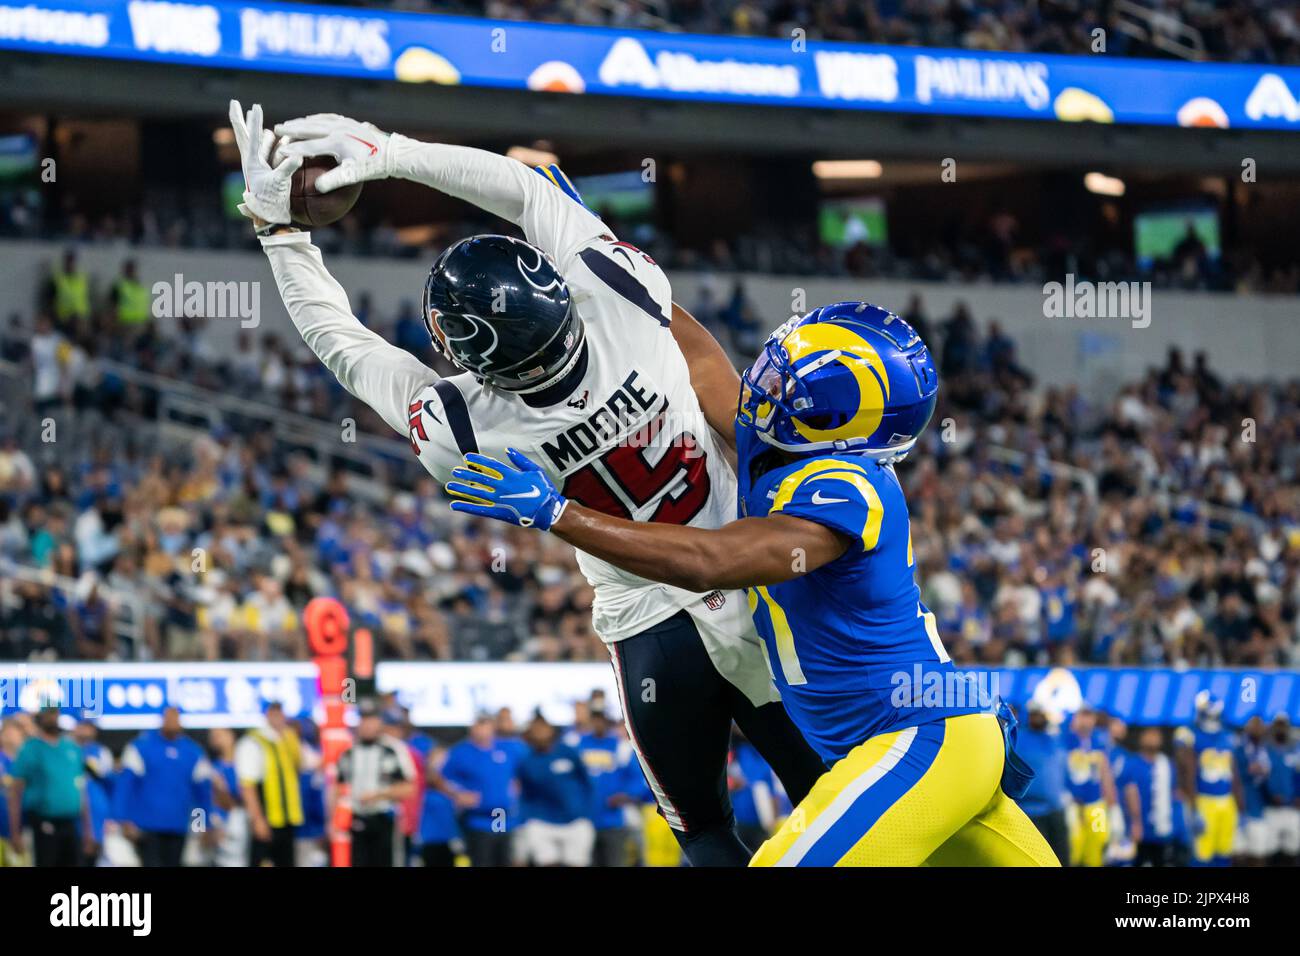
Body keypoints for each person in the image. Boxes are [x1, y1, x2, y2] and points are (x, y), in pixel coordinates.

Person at [228, 100, 824, 867]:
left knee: (705, 832)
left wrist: (283, 237)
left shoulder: (465, 428)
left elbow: (346, 348)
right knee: (845, 790)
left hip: (648, 626)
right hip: (747, 578)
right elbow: (530, 190)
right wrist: (393, 148)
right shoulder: (624, 298)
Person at [446, 302, 1059, 867]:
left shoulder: (849, 490)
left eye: (787, 386)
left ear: (835, 418)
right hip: (930, 742)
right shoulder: (777, 453)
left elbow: (711, 561)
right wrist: (596, 258)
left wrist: (559, 515)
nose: (764, 389)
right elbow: (696, 353)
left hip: (919, 739)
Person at [118, 706, 212, 867]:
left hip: (178, 826)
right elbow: (125, 786)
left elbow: (202, 794)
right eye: (168, 718)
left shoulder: (193, 752)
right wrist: (124, 819)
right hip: (146, 826)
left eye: (175, 718)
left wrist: (203, 826)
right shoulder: (141, 746)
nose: (172, 722)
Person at [6, 705, 94, 866]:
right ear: (39, 717)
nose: (52, 718)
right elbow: (15, 792)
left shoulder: (71, 747)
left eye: (55, 713)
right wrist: (15, 832)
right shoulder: (30, 749)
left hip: (70, 823)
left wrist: (88, 830)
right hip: (42, 823)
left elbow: (81, 790)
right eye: (48, 714)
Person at [333, 700, 417, 867]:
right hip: (355, 819)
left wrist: (379, 795)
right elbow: (337, 787)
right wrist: (333, 820)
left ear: (379, 722)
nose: (368, 725)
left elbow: (410, 788)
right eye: (364, 719)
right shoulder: (348, 751)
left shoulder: (393, 749)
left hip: (385, 818)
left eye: (372, 719)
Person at [435, 713, 520, 866]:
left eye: (486, 726)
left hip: (501, 816)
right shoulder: (461, 752)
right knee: (482, 859)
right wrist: (456, 794)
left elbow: (523, 770)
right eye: (478, 727)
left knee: (503, 859)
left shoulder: (507, 749)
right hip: (477, 819)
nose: (482, 732)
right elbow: (439, 778)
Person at [236, 701, 311, 867]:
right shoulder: (254, 742)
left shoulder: (288, 739)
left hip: (288, 817)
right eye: (274, 714)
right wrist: (257, 819)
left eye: (281, 714)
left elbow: (307, 764)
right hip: (267, 817)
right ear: (267, 715)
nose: (279, 718)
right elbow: (248, 786)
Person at [514, 712, 595, 867]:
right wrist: (526, 819)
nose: (539, 733)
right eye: (535, 730)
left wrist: (587, 813)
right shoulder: (526, 761)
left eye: (542, 728)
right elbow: (522, 792)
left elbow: (587, 783)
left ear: (551, 730)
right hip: (542, 821)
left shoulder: (569, 752)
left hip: (575, 820)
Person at [1175, 691, 1241, 867]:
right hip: (1204, 801)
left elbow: (1233, 772)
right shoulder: (1189, 733)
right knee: (1201, 856)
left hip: (1226, 801)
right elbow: (1186, 771)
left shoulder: (1228, 735)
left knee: (1224, 854)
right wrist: (1193, 807)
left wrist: (1240, 806)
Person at [574, 706, 638, 867]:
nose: (598, 723)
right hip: (584, 821)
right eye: (595, 719)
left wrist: (626, 794)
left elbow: (638, 778)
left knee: (615, 862)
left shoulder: (621, 746)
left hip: (613, 820)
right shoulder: (578, 744)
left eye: (601, 718)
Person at [1014, 699, 1070, 864]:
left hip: (1056, 809)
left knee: (1062, 859)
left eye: (1040, 714)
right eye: (1034, 714)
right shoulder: (1019, 739)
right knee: (1037, 861)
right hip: (1031, 811)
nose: (1038, 718)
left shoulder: (1054, 739)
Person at [1119, 726, 1181, 867]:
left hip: (1161, 828)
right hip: (1139, 829)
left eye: (1156, 735)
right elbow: (1130, 792)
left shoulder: (1166, 764)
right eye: (1149, 735)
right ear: (1142, 739)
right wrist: (1135, 822)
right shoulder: (1133, 764)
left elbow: (1174, 793)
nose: (1153, 739)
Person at [1063, 705, 1117, 867]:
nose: (1086, 721)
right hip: (1072, 803)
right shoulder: (1065, 739)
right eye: (1082, 716)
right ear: (1075, 718)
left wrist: (1113, 806)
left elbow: (1105, 773)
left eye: (1089, 716)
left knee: (1099, 839)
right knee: (1074, 844)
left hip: (1095, 804)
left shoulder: (1099, 740)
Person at [1264, 714, 1299, 866]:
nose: (1281, 729)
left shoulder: (1295, 750)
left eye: (1283, 725)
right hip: (1271, 808)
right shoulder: (1265, 751)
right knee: (1269, 850)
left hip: (1292, 807)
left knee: (1292, 850)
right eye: (1278, 725)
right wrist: (1269, 795)